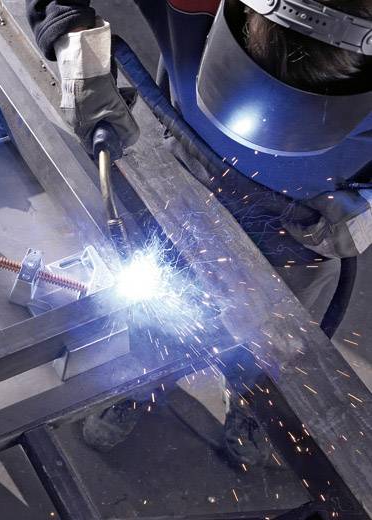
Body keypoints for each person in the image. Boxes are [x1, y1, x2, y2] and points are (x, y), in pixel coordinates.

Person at [26, 0, 372, 462]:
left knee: (269, 338)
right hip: (187, 173)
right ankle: (148, 381)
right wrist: (75, 48)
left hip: (312, 225)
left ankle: (251, 399)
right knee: (162, 303)